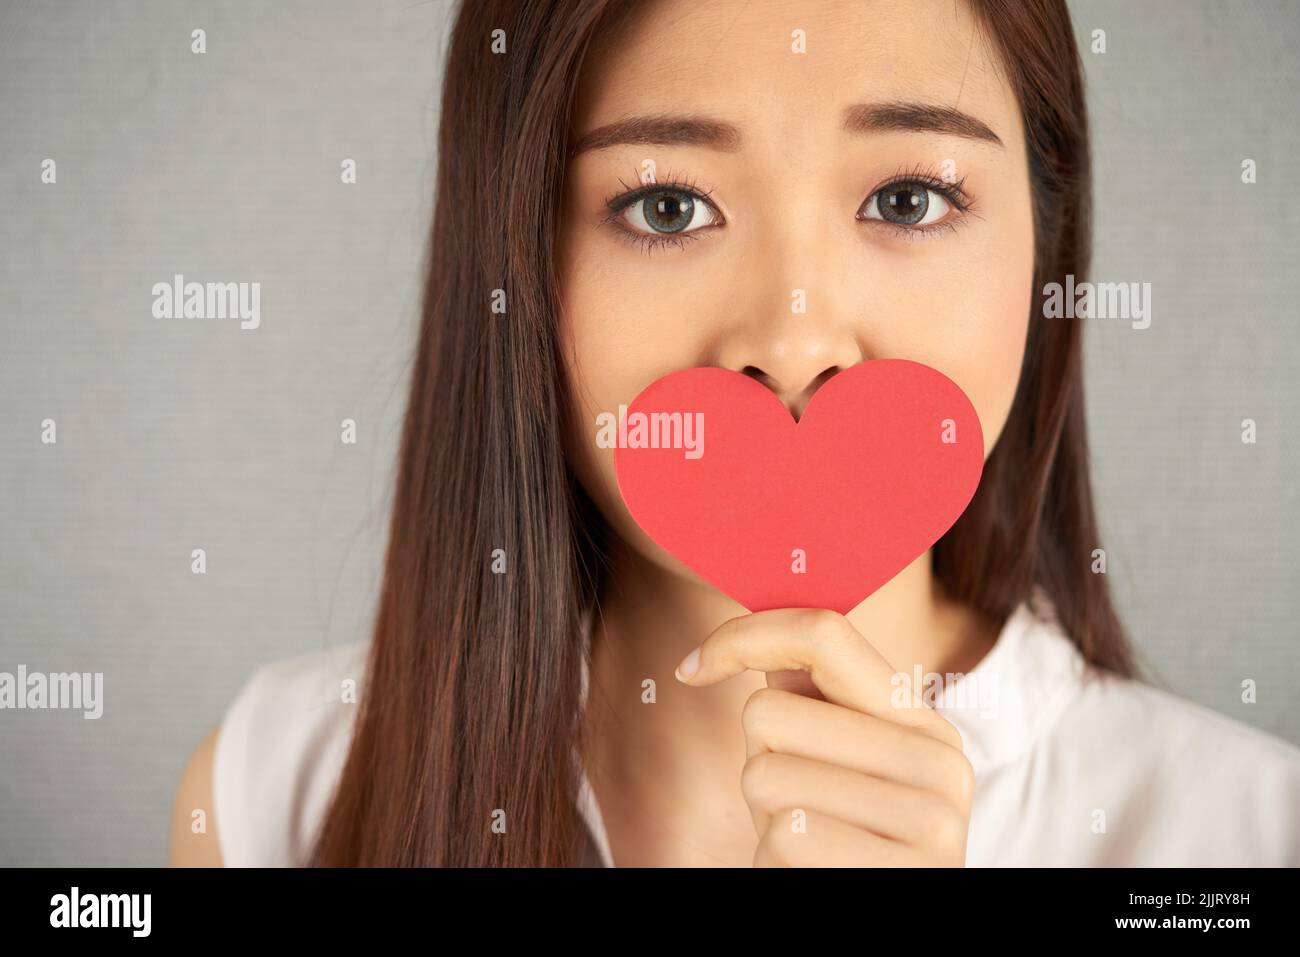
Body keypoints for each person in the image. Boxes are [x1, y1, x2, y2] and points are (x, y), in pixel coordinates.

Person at [170, 0, 1300, 868]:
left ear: (1046, 257)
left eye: (907, 199)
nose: (795, 339)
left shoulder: (1242, 836)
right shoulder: (277, 790)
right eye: (667, 207)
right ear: (511, 259)